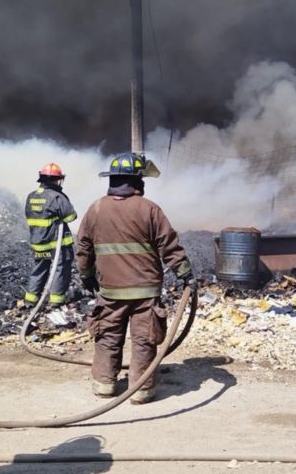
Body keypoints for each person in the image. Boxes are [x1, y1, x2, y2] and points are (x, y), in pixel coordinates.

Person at [75, 152, 195, 404]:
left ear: (114, 180)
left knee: (107, 336)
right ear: (137, 181)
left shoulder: (96, 208)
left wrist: (86, 275)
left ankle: (105, 385)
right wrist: (186, 275)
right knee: (144, 341)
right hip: (145, 292)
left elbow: (84, 247)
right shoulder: (149, 209)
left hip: (111, 290)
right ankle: (141, 391)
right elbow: (169, 246)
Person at [24, 162, 77, 306]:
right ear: (56, 180)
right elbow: (71, 217)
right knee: (60, 269)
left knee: (39, 269)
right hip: (57, 244)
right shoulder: (57, 197)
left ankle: (30, 300)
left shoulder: (31, 196)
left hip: (38, 243)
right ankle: (56, 301)